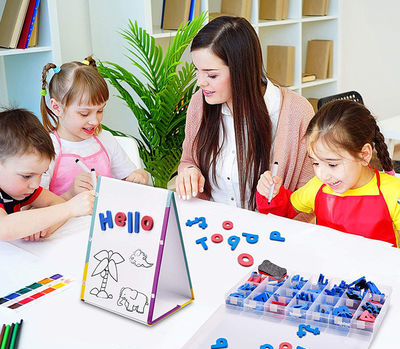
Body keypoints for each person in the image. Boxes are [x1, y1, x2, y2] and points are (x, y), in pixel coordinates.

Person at [176, 16, 314, 211]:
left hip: (272, 228)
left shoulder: (296, 112)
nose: (200, 82)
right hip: (212, 223)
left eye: (211, 75)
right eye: (197, 70)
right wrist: (190, 171)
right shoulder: (200, 103)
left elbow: (309, 197)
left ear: (241, 70)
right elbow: (188, 160)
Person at [256, 100, 400, 247]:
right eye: (315, 163)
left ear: (364, 155)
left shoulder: (393, 192)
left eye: (332, 164)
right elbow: (284, 211)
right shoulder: (317, 187)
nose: (323, 175)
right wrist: (270, 193)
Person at [40, 56, 149, 199]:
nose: (95, 121)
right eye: (84, 114)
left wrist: (140, 175)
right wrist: (70, 194)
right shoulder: (48, 149)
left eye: (100, 110)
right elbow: (36, 207)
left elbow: (127, 180)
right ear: (56, 108)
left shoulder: (105, 139)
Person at [0, 108, 94, 241]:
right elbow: (4, 228)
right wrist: (70, 208)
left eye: (41, 174)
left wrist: (44, 226)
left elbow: (57, 202)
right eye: (26, 176)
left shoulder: (23, 189)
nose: (35, 184)